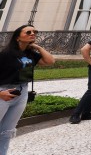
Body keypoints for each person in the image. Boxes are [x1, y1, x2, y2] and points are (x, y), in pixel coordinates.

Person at [0, 25, 53, 154]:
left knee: (7, 131)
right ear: (18, 37)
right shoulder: (6, 54)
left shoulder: (30, 53)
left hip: (22, 92)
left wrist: (38, 47)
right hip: (4, 92)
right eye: (28, 32)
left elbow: (50, 61)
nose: (32, 33)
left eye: (35, 32)